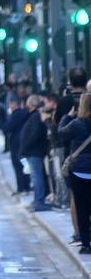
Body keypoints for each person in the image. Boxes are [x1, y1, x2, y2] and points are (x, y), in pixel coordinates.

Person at [57, 93, 91, 253]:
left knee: (81, 207)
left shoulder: (76, 124)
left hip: (78, 171)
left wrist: (67, 116)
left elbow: (61, 132)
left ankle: (86, 243)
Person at [20, 94, 52, 212]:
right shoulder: (35, 116)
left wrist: (26, 147)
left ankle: (39, 200)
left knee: (36, 177)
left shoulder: (35, 117)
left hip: (34, 152)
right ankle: (38, 199)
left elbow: (34, 135)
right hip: (34, 151)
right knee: (36, 176)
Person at [3, 96, 31, 194]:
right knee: (24, 166)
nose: (9, 106)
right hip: (22, 142)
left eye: (10, 104)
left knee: (18, 166)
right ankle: (25, 187)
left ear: (15, 104)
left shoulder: (15, 115)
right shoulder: (24, 113)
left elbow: (7, 128)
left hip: (16, 144)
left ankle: (22, 188)